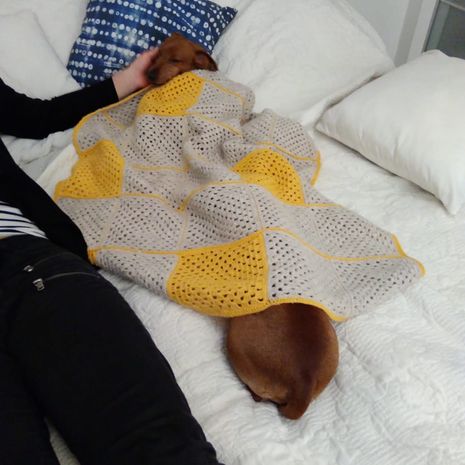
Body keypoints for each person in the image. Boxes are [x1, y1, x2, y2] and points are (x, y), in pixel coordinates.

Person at [0, 49, 223, 465]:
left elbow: (36, 118)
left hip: (26, 264)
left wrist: (130, 78)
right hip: (32, 271)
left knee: (160, 450)